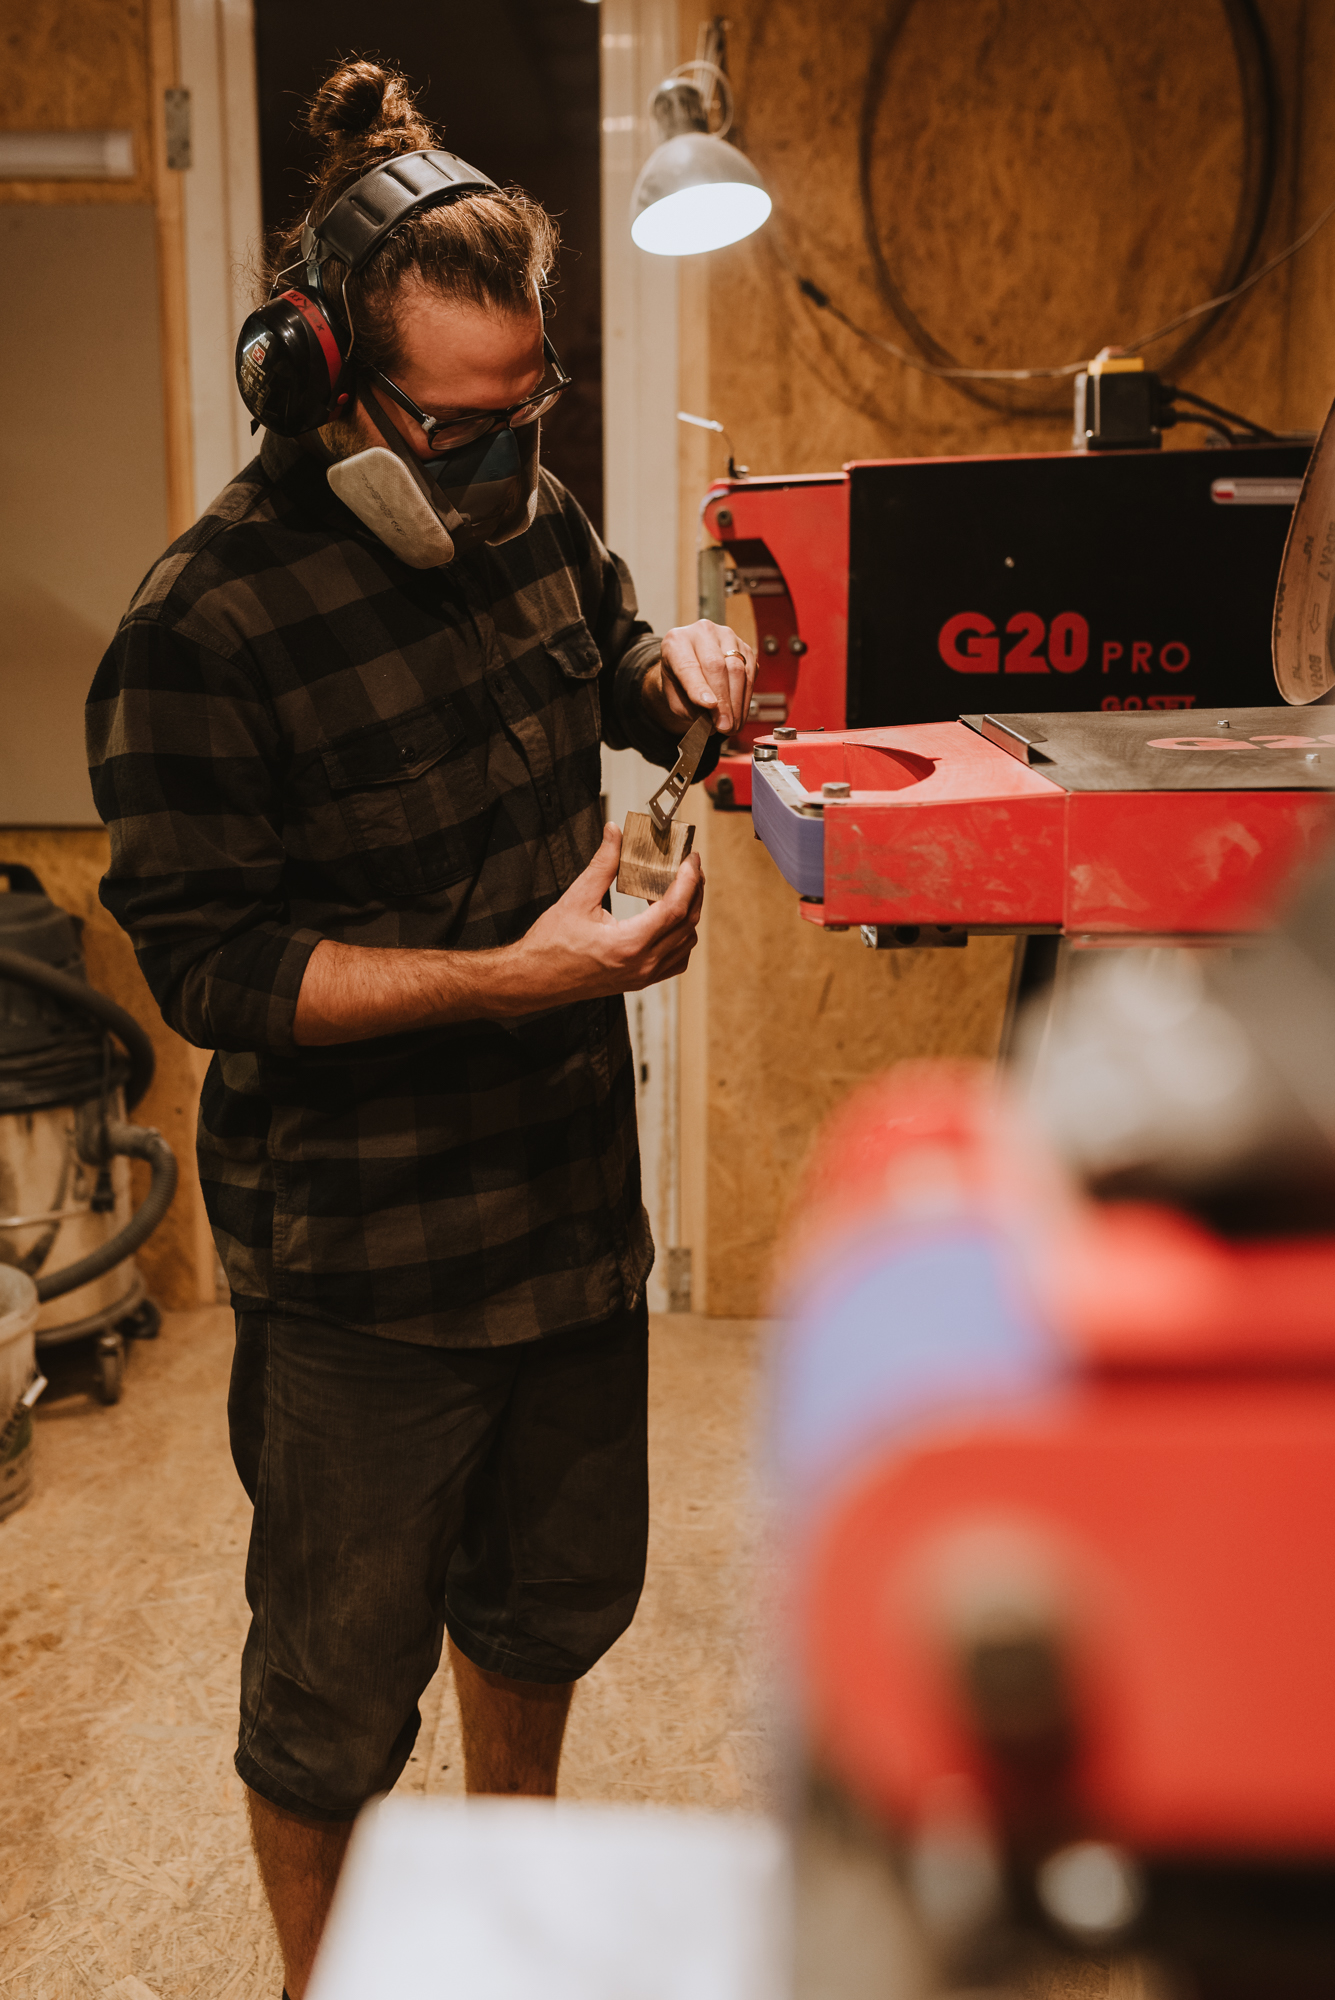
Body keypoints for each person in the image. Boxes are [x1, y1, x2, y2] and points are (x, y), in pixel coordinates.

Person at [86, 60, 756, 2000]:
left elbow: (615, 662)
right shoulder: (202, 628)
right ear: (316, 384)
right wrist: (514, 978)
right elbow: (211, 972)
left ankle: (503, 1931)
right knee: (330, 1700)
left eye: (526, 410)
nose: (496, 463)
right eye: (453, 428)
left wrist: (684, 667)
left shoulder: (533, 517)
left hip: (567, 1218)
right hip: (366, 1270)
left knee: (545, 1611)